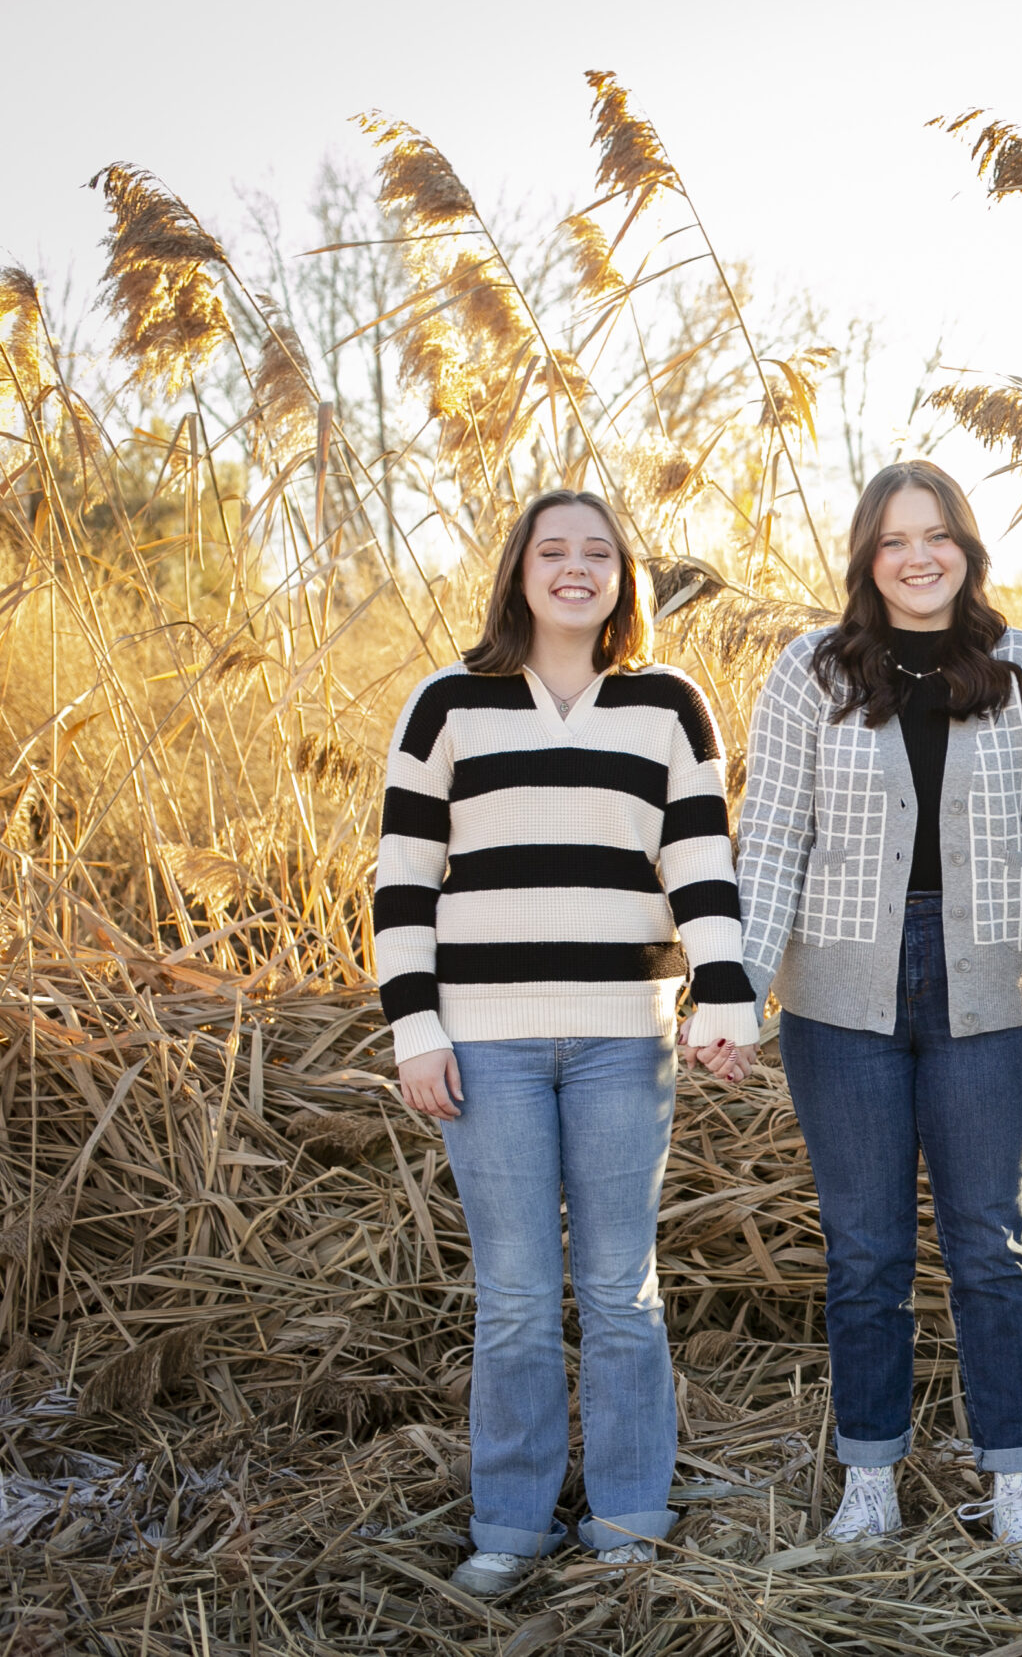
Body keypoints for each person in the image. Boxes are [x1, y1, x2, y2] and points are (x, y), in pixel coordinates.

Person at [375, 488, 759, 1596]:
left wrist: (721, 996)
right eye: (554, 550)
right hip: (482, 1046)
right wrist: (415, 1027)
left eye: (599, 552)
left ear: (622, 577)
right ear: (520, 571)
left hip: (619, 1042)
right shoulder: (448, 703)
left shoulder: (670, 707)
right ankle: (512, 1525)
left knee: (620, 1285)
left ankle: (632, 1513)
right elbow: (402, 880)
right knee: (515, 1295)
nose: (576, 567)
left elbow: (699, 866)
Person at [734, 461, 1022, 1552]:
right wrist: (736, 989)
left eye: (938, 535)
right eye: (894, 540)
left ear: (967, 548)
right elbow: (774, 841)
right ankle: (871, 1475)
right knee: (868, 1251)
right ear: (866, 558)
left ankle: (1014, 1476)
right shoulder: (811, 672)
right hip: (841, 998)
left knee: (991, 1243)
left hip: (986, 988)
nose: (918, 557)